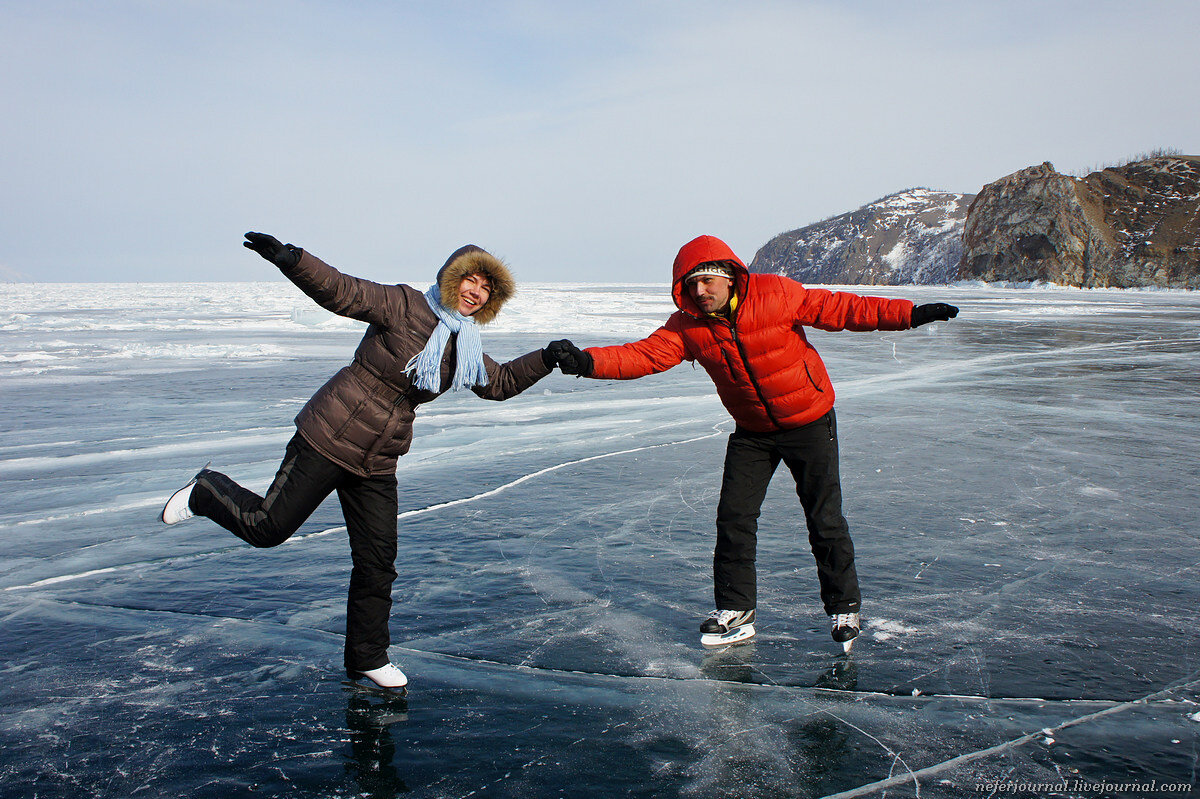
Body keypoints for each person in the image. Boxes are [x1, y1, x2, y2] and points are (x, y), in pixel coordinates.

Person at [161, 232, 557, 689]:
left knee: (377, 560)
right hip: (329, 434)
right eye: (470, 280)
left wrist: (546, 358)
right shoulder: (404, 305)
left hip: (378, 460)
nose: (475, 292)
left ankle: (367, 657)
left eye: (486, 289)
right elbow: (342, 290)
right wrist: (293, 260)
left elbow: (500, 382)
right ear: (451, 279)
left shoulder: (462, 344)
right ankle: (205, 491)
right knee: (267, 529)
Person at [546, 235, 958, 651]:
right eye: (691, 285)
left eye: (707, 281)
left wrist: (910, 314)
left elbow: (841, 308)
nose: (700, 292)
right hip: (753, 432)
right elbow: (644, 355)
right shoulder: (688, 326)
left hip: (809, 421)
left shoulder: (776, 294)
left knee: (824, 518)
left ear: (729, 277)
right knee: (734, 518)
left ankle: (844, 607)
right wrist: (586, 361)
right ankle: (736, 610)